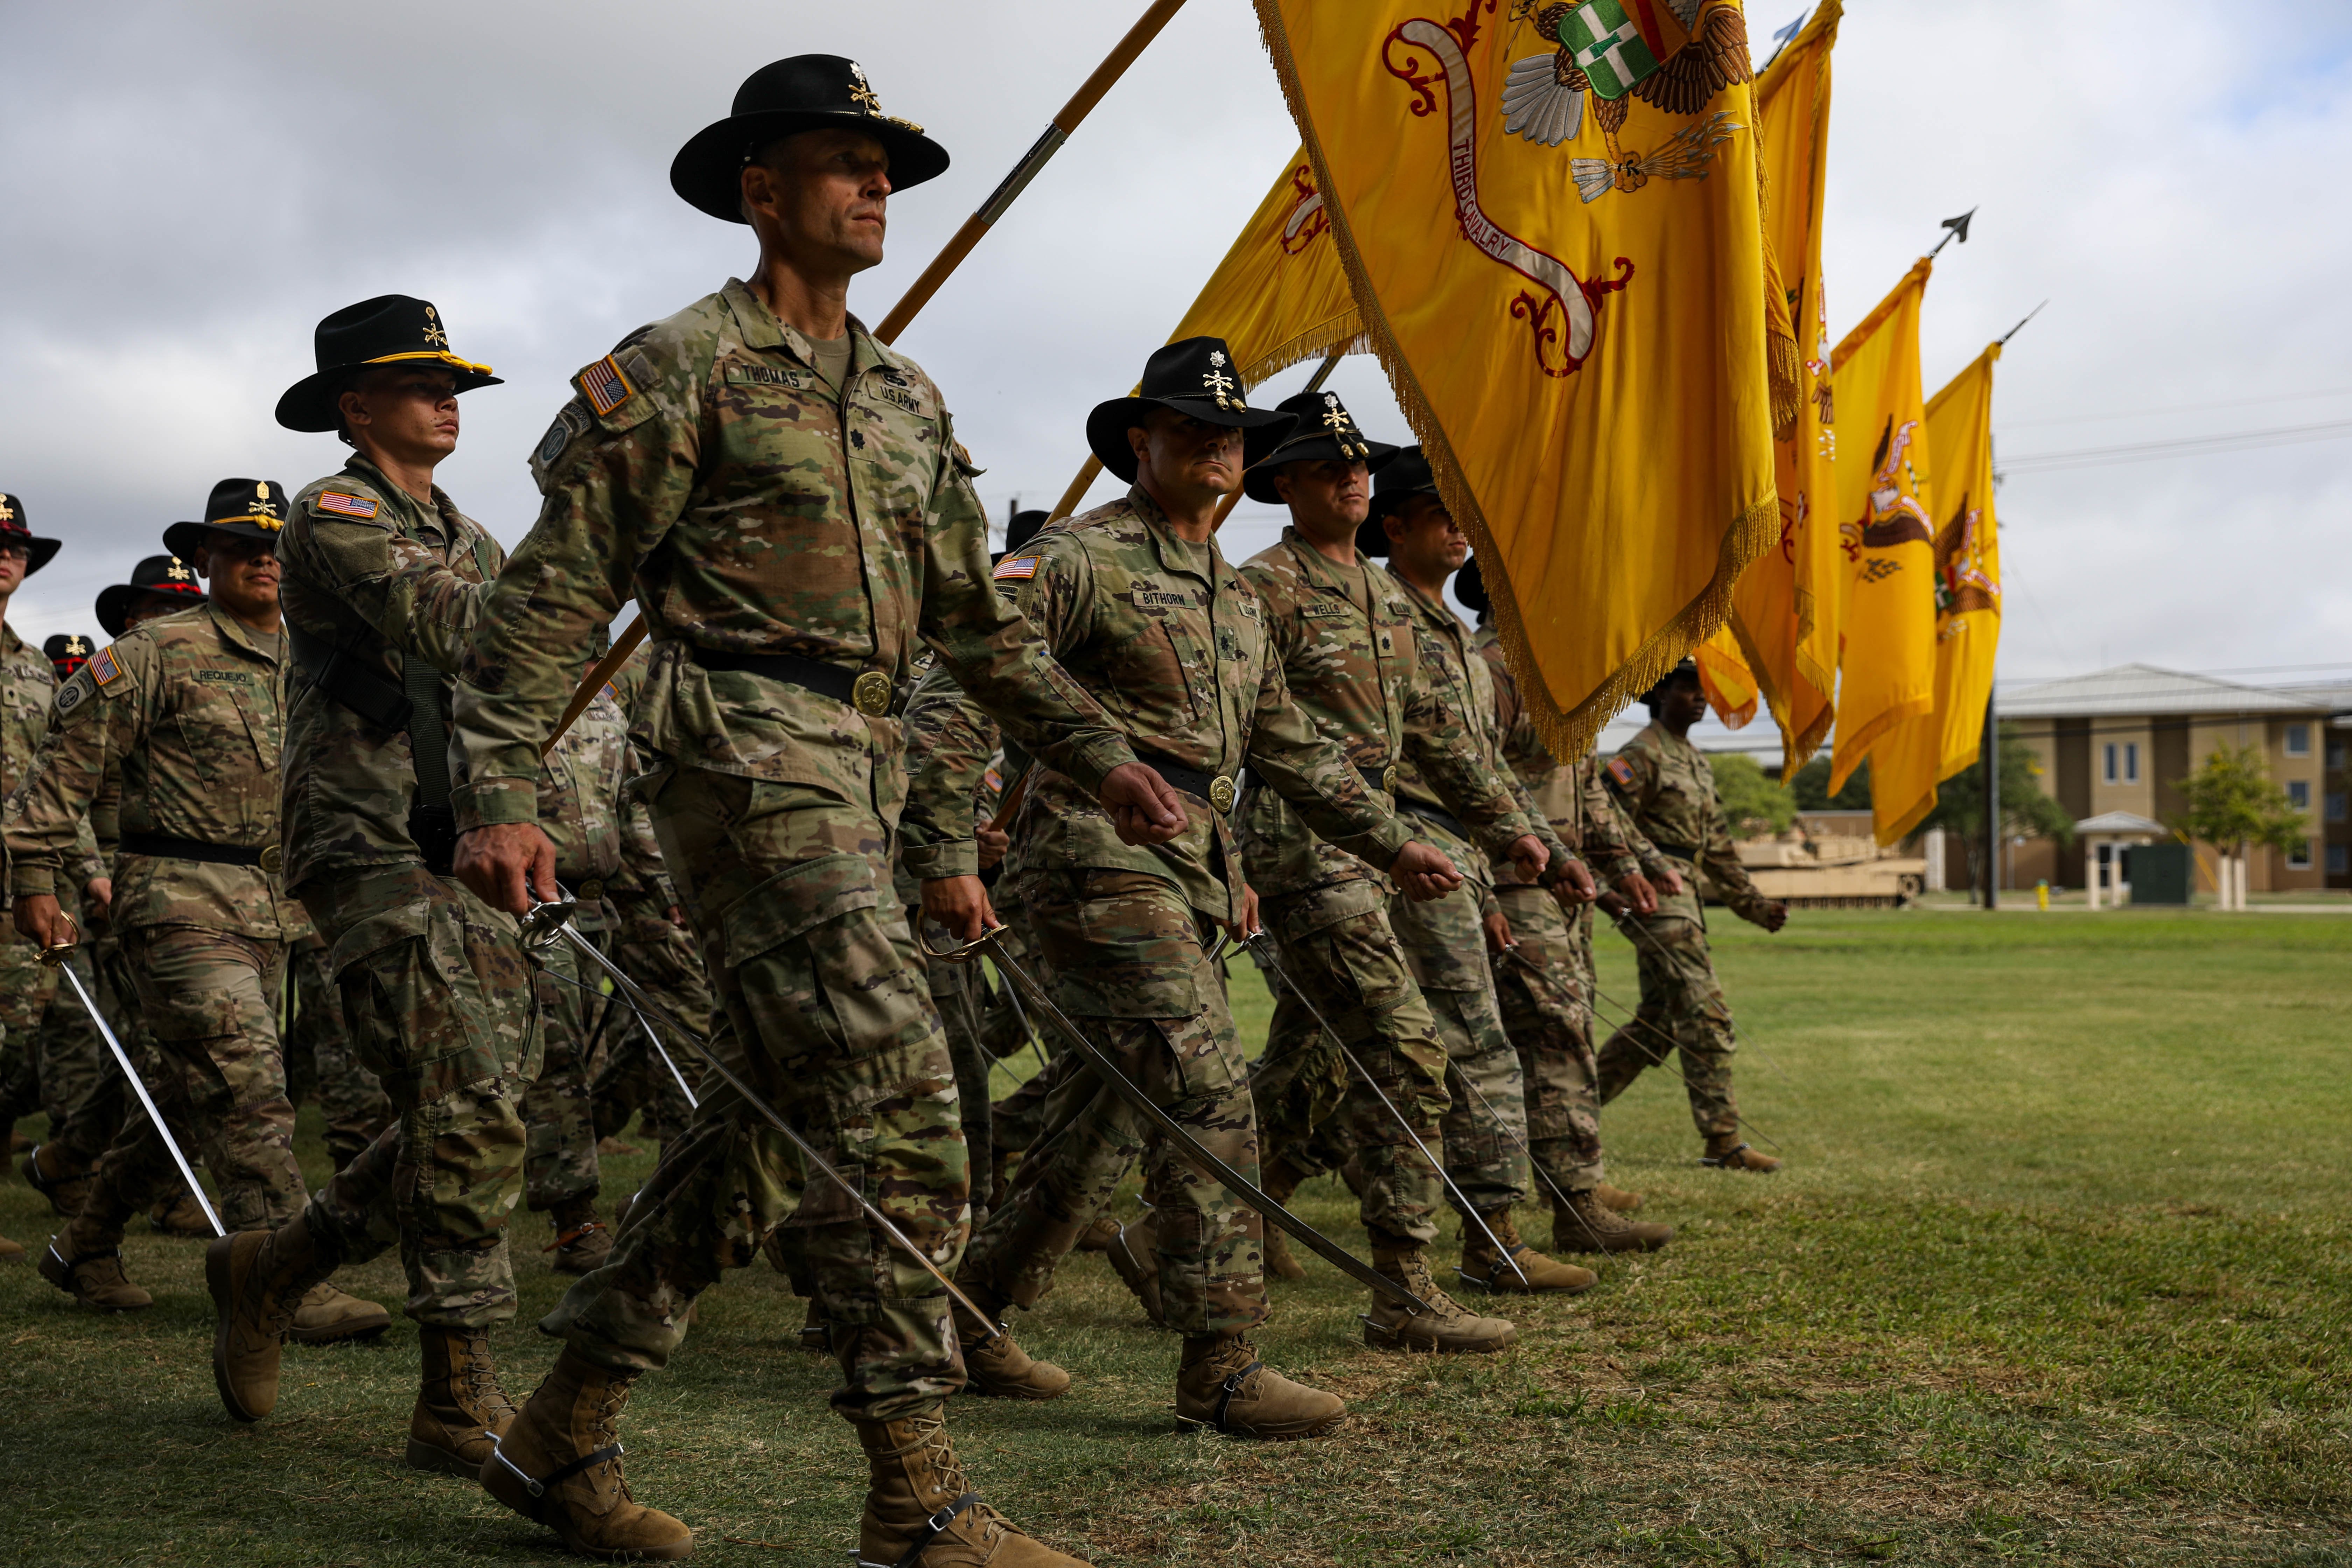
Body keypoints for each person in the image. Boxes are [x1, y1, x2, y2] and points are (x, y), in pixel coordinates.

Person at [446, 57, 1182, 1566]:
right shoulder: (677, 368)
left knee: (768, 1129)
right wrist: (502, 791)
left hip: (865, 761)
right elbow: (553, 599)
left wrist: (1101, 754)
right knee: (906, 1094)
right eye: (844, 163)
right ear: (759, 190)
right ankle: (917, 1489)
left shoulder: (909, 396)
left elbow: (979, 625)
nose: (879, 189)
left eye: (889, 167)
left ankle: (561, 1428)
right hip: (737, 747)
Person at [905, 336, 1491, 1436]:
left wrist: (1388, 844)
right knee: (1208, 1085)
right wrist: (942, 852)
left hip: (1191, 869)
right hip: (1089, 858)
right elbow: (961, 687)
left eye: (1231, 436)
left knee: (1101, 1115)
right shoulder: (1077, 560)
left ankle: (967, 1314)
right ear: (1143, 444)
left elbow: (1290, 745)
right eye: (1193, 432)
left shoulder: (1231, 595)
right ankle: (1222, 1361)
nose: (1217, 451)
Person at [207, 294, 542, 1486]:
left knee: (485, 1098)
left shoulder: (483, 535)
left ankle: (281, 1262)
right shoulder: (336, 511)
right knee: (465, 1097)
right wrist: (602, 535)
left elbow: (507, 700)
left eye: (452, 383)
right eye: (417, 384)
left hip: (458, 843)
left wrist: (516, 816)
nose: (447, 400)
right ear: (357, 408)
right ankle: (457, 1397)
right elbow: (456, 627)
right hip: (362, 841)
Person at [1231, 403, 1582, 1338]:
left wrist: (1515, 830)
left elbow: (1442, 737)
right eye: (1326, 465)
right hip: (1306, 848)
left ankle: (1214, 1211)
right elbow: (1242, 731)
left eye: (1358, 463)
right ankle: (1410, 1284)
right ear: (1284, 483)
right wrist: (1226, 862)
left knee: (1326, 1048)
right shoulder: (1260, 588)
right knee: (1411, 1048)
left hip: (1397, 848)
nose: (1351, 475)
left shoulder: (1391, 602)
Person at [10, 480, 386, 1345]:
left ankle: (84, 1242)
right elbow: (60, 776)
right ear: (207, 558)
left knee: (190, 1091)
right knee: (252, 1088)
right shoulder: (155, 651)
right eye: (242, 546)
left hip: (281, 909)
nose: (263, 558)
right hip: (177, 898)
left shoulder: (317, 661)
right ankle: (287, 1278)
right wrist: (35, 879)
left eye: (277, 546)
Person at [1359, 448, 1608, 1293]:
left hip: (1456, 858)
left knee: (1328, 1060)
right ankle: (1492, 1242)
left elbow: (1484, 770)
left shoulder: (1454, 641)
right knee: (1467, 1044)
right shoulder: (1378, 617)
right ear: (1393, 525)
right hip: (1401, 855)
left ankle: (1489, 1234)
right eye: (1441, 510)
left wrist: (1544, 849)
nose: (1459, 525)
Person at [1456, 557, 1675, 1254]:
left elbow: (1587, 792)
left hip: (1559, 885)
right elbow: (1465, 782)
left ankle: (1570, 1182)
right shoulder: (1488, 669)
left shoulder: (1551, 678)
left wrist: (1624, 866)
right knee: (1552, 1031)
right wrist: (1484, 887)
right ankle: (1571, 1199)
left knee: (1558, 1030)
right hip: (1512, 882)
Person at [1598, 659, 1790, 1170]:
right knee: (1707, 1016)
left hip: (1688, 900)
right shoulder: (1640, 754)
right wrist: (1628, 879)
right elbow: (1604, 821)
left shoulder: (1698, 763)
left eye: (1702, 689)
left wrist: (1755, 906)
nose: (1700, 697)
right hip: (1653, 899)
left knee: (1656, 1024)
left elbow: (1719, 849)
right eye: (1687, 688)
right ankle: (1723, 1141)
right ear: (1659, 694)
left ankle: (1565, 1116)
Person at [0, 493, 68, 1262]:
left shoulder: (36, 668)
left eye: (15, 544)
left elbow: (56, 781)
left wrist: (85, 869)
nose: (6, 555)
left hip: (21, 877)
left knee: (15, 1044)